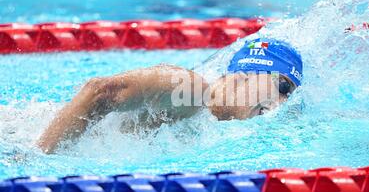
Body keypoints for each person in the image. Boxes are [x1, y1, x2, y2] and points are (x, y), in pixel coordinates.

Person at [37, 38, 303, 153]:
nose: (281, 103)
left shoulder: (213, 122)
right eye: (282, 87)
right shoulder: (191, 90)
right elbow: (100, 92)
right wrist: (36, 158)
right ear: (246, 74)